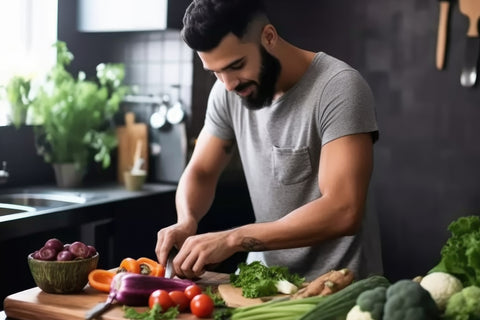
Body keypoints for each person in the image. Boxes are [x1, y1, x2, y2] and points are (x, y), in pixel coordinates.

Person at [155, 0, 383, 281]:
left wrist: (232, 239)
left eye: (236, 65)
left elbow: (343, 209)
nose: (228, 84)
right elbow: (201, 171)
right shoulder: (226, 92)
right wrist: (186, 220)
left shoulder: (339, 87)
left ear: (269, 37)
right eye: (215, 72)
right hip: (265, 282)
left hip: (338, 287)